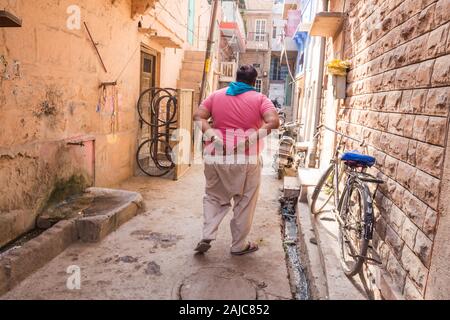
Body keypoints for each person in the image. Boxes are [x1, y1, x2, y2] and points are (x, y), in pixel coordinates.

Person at [193, 64, 280, 256]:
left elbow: (198, 116)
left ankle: (207, 234)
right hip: (246, 159)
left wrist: (214, 138)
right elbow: (273, 121)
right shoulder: (260, 99)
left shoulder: (217, 95)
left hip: (215, 155)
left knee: (214, 196)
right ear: (253, 81)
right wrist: (248, 141)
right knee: (244, 201)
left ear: (236, 77)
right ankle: (239, 245)